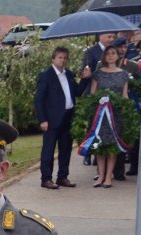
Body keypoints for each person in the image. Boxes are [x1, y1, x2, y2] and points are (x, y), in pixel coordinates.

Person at [83, 45, 131, 188]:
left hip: (115, 115)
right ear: (104, 56)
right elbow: (92, 93)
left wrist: (127, 109)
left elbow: (125, 95)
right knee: (99, 146)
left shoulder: (123, 74)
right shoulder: (98, 73)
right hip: (100, 114)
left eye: (113, 53)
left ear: (118, 56)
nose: (110, 56)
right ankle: (100, 176)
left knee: (111, 147)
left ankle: (109, 176)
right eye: (108, 54)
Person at [35, 47, 81, 190]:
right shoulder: (46, 75)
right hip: (52, 118)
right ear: (53, 59)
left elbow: (77, 92)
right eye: (60, 57)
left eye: (65, 58)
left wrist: (85, 79)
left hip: (68, 115)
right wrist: (42, 119)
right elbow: (39, 99)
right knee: (49, 149)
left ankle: (62, 176)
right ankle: (46, 178)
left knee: (66, 148)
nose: (62, 60)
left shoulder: (69, 75)